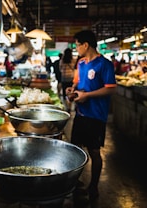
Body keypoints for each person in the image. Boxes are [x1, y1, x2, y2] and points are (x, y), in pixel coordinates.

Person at [66, 30, 117, 201]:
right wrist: (72, 92)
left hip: (96, 116)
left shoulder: (105, 64)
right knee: (76, 149)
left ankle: (93, 187)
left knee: (94, 152)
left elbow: (111, 88)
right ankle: (76, 183)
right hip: (81, 113)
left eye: (77, 45)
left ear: (85, 45)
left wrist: (88, 95)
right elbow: (77, 83)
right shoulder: (80, 63)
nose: (76, 49)